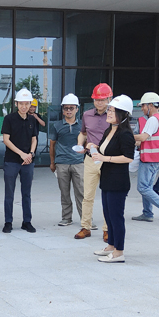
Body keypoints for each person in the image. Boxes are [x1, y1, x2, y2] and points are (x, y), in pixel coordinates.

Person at [88, 95, 136, 263]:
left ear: (123, 114)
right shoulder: (109, 130)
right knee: (108, 216)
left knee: (116, 217)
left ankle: (119, 252)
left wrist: (104, 158)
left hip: (118, 180)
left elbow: (128, 157)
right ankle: (111, 245)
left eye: (113, 111)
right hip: (107, 178)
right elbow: (103, 150)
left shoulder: (125, 134)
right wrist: (91, 148)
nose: (108, 113)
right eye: (109, 109)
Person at [132, 92, 159, 225]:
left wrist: (125, 136)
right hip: (158, 159)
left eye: (143, 106)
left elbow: (143, 137)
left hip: (149, 158)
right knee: (148, 187)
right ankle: (147, 213)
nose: (142, 109)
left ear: (150, 105)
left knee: (143, 187)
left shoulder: (152, 119)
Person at [76, 83, 112, 242]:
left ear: (109, 99)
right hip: (90, 159)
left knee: (107, 196)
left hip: (107, 159)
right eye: (97, 99)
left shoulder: (114, 116)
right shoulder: (87, 115)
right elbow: (83, 133)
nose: (99, 102)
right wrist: (80, 144)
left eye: (102, 99)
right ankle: (86, 227)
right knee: (87, 195)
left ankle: (107, 229)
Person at [1, 88, 38, 233]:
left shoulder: (32, 120)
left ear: (30, 104)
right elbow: (6, 139)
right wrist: (21, 154)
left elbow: (34, 139)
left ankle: (27, 221)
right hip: (12, 161)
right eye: (21, 103)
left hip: (28, 162)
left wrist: (30, 154)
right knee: (9, 193)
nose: (24, 106)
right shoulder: (9, 119)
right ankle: (8, 222)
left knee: (26, 193)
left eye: (27, 103)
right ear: (16, 104)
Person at [49, 93, 85, 227]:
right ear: (62, 110)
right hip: (62, 163)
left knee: (81, 192)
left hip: (79, 162)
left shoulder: (83, 125)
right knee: (64, 193)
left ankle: (85, 219)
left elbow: (87, 142)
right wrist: (52, 162)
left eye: (71, 108)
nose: (68, 110)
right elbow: (52, 145)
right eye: (66, 108)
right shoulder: (57, 125)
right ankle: (66, 218)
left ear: (77, 109)